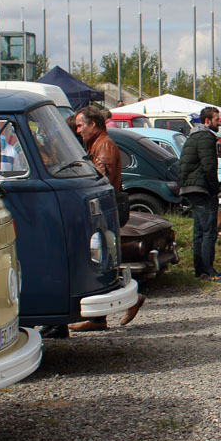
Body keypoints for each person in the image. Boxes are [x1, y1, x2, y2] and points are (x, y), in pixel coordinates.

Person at [70, 106, 145, 331]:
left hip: (102, 211)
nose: (78, 129)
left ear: (93, 125)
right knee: (100, 262)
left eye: (81, 125)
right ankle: (98, 318)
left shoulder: (104, 145)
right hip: (101, 210)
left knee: (103, 262)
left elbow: (98, 178)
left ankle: (132, 299)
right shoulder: (97, 144)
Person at [178, 106, 221, 283]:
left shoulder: (194, 135)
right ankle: (207, 271)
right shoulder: (206, 137)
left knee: (198, 231)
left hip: (191, 187)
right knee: (208, 232)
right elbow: (209, 166)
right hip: (201, 188)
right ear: (207, 121)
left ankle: (199, 270)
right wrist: (214, 189)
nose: (219, 123)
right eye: (216, 120)